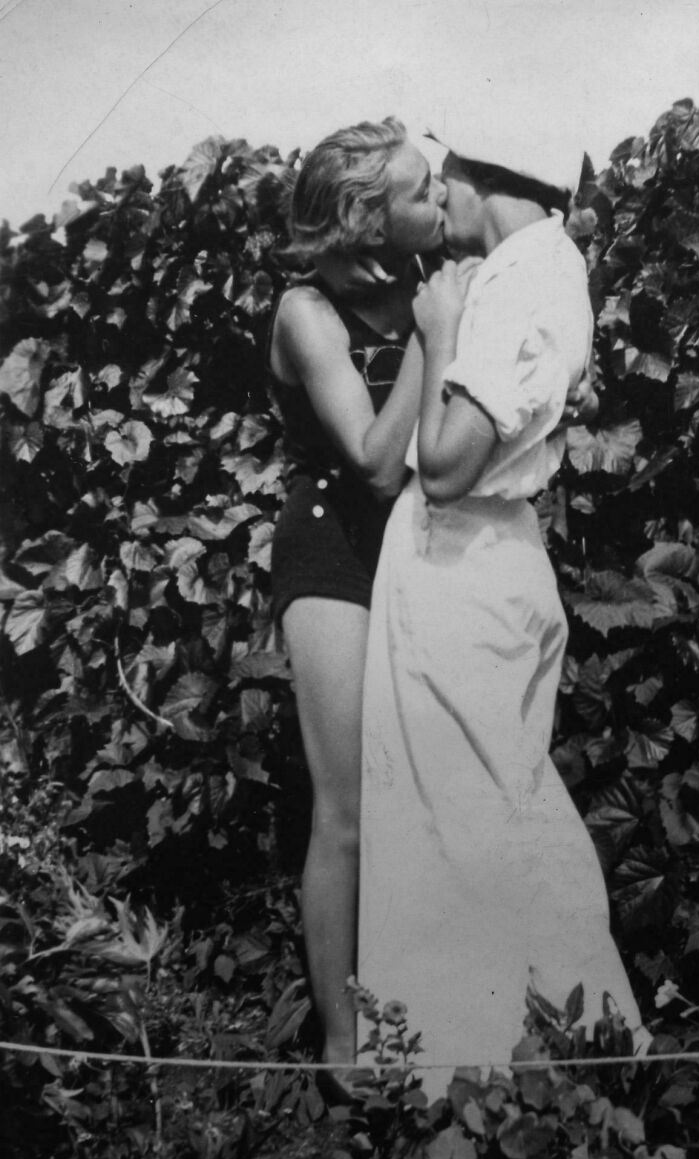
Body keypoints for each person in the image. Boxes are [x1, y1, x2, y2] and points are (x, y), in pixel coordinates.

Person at [357, 118, 648, 1100]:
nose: (439, 203)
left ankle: (518, 1071)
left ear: (493, 178)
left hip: (465, 566)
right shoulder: (527, 269)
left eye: (447, 180)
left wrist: (435, 335)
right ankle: (487, 1072)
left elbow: (442, 467)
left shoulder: (524, 280)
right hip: (473, 563)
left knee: (478, 822)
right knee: (468, 815)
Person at [267, 117, 447, 1082]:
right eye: (421, 192)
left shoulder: (426, 278)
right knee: (345, 807)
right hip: (334, 547)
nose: (442, 201)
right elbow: (377, 464)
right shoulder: (308, 313)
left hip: (421, 547)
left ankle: (421, 1012)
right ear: (364, 217)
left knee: (424, 789)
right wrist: (435, 335)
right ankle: (342, 1049)